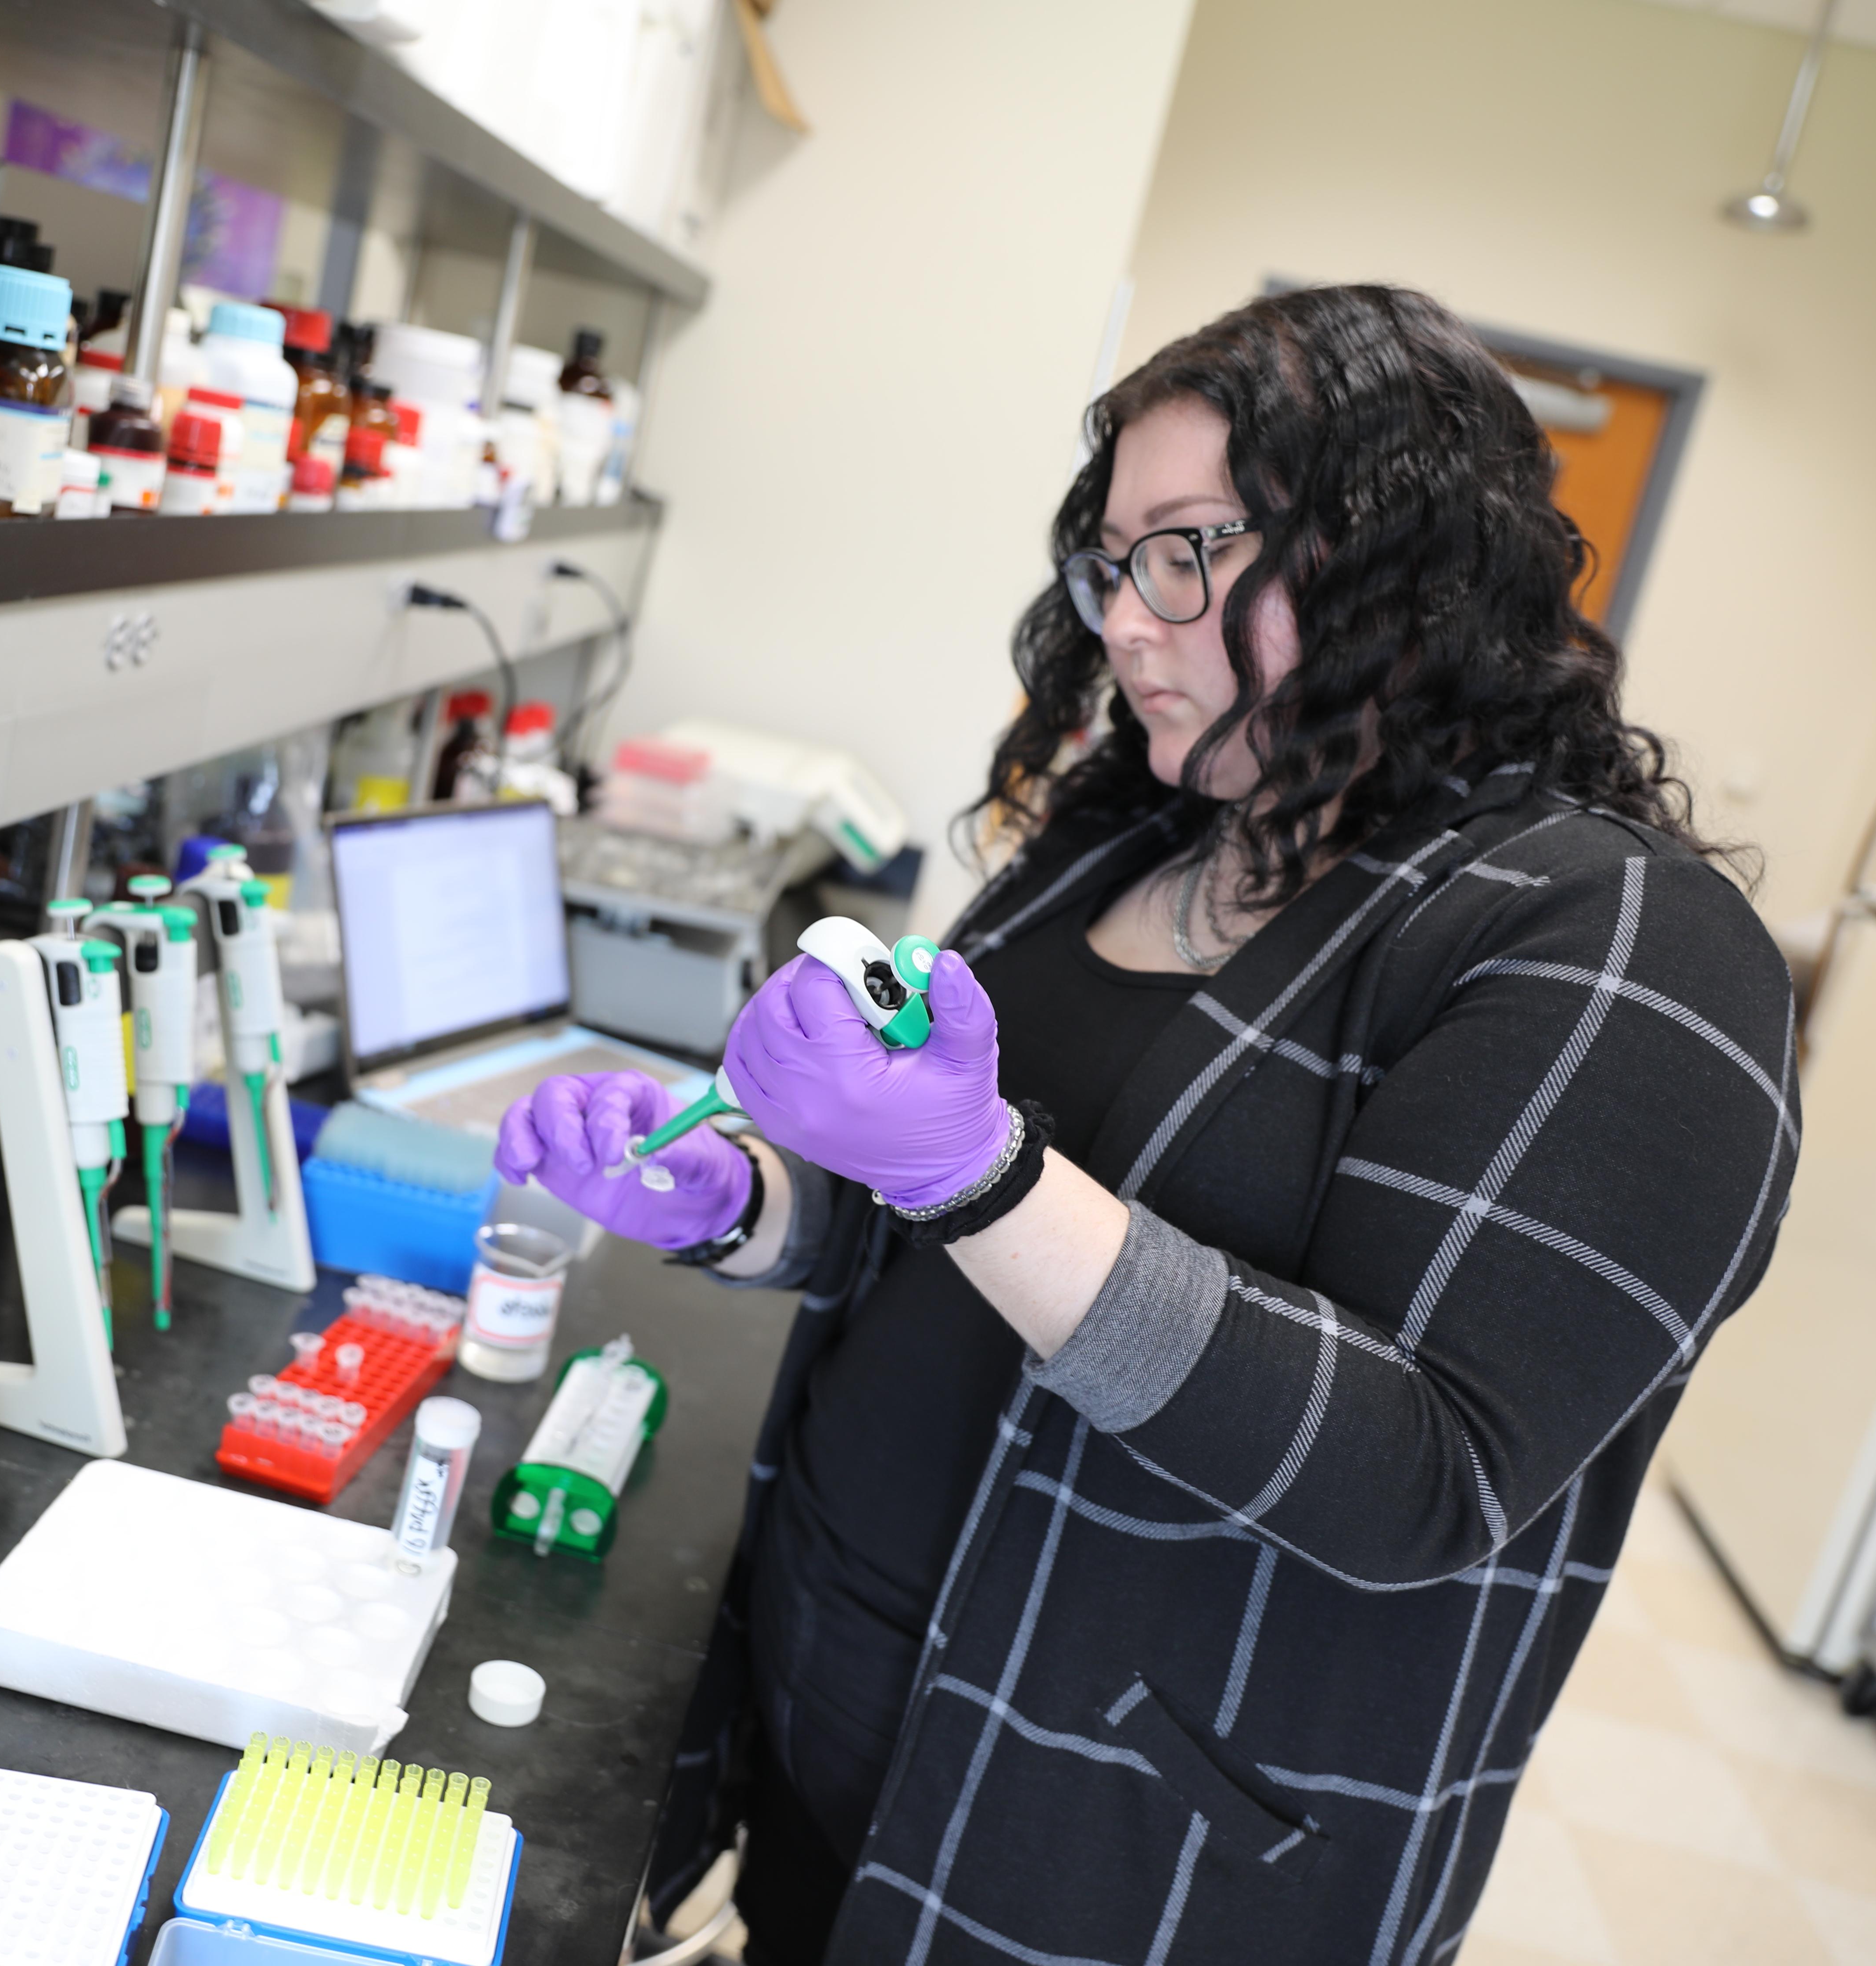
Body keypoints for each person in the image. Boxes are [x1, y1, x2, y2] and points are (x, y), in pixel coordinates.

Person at [495, 284, 1798, 1965]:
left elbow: (1422, 1474)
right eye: (1113, 563)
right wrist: (741, 1200)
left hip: (1110, 1862)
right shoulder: (1139, 841)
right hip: (834, 1753)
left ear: (1396, 561)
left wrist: (962, 1164)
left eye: (1187, 553)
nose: (1125, 623)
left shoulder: (1617, 943)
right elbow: (940, 1238)